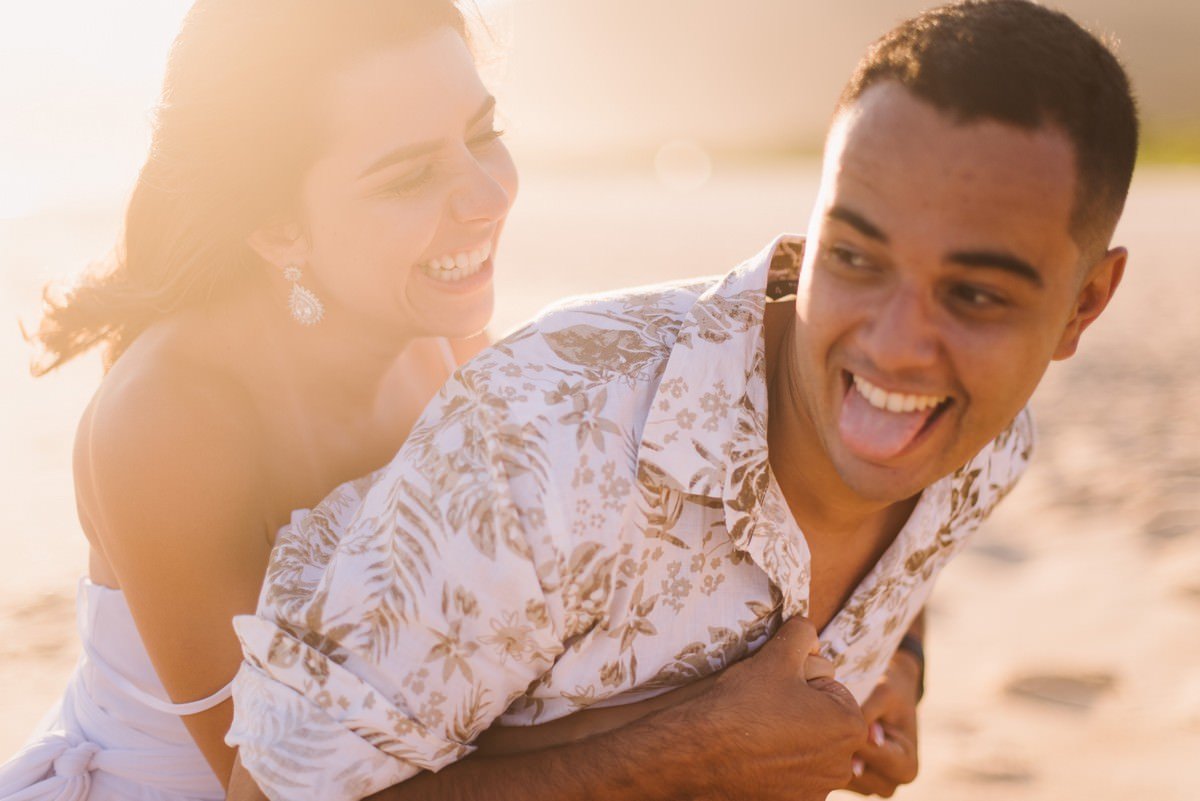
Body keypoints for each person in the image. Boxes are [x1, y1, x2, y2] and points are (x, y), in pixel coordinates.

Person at [226, 0, 1137, 799]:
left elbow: (914, 542)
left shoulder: (989, 444)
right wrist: (673, 761)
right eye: (855, 257)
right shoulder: (540, 443)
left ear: (1083, 306)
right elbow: (272, 795)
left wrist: (900, 663)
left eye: (976, 294)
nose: (896, 344)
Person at [0, 2, 516, 799]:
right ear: (279, 229)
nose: (485, 195)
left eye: (483, 135)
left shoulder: (432, 320)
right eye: (411, 175)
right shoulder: (170, 421)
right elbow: (269, 786)